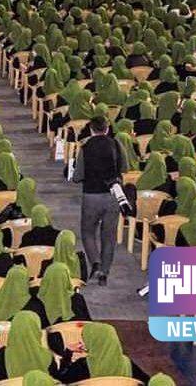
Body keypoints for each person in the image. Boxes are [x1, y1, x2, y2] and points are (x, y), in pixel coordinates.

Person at [72, 116, 127, 286]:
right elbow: (124, 168)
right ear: (107, 128)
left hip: (91, 196)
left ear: (91, 129)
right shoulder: (116, 144)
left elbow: (77, 176)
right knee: (109, 236)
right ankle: (104, 272)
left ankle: (95, 261)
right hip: (113, 195)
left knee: (88, 231)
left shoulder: (85, 147)